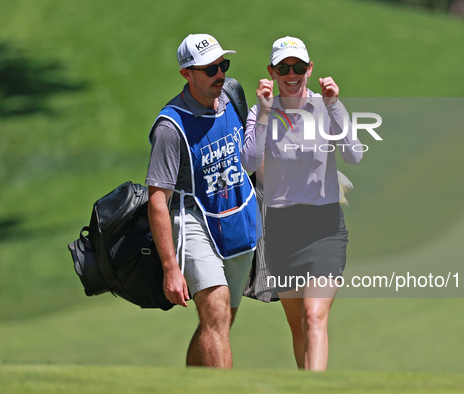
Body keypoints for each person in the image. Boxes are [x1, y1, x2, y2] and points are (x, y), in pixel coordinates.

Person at [242, 36, 363, 371]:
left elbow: (354, 155)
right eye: (283, 67)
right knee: (297, 327)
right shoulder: (260, 112)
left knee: (313, 317)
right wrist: (265, 113)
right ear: (272, 71)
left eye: (298, 66)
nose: (291, 73)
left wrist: (336, 105)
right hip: (281, 229)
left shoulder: (326, 107)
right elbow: (250, 163)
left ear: (310, 69)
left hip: (324, 227)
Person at [146, 34, 257, 369]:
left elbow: (249, 158)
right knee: (217, 310)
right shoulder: (171, 126)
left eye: (223, 65)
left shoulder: (233, 96)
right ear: (187, 74)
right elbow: (157, 200)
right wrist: (170, 268)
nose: (220, 74)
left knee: (221, 320)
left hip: (237, 219)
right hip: (193, 221)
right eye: (210, 69)